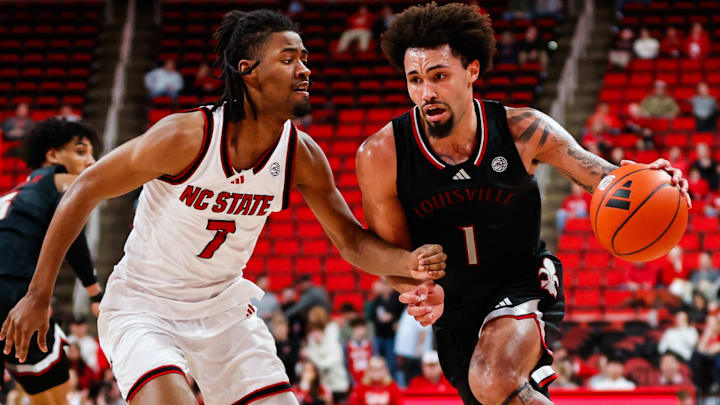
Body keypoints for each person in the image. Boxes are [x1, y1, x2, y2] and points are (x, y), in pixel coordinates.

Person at [1, 10, 447, 405]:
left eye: (305, 58)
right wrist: (39, 295)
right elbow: (84, 189)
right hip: (145, 306)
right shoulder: (185, 136)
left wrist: (407, 263)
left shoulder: (301, 154)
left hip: (224, 312)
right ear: (249, 70)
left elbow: (351, 242)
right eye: (288, 59)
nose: (304, 70)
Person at [356, 3, 690, 404]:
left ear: (472, 71)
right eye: (414, 80)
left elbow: (603, 179)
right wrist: (418, 290)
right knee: (494, 392)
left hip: (523, 279)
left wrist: (653, 180)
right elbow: (392, 252)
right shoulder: (382, 154)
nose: (425, 93)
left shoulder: (522, 130)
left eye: (439, 76)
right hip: (455, 304)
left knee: (492, 377)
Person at [0, 118, 101, 404]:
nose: (91, 161)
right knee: (59, 388)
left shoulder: (18, 192)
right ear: (53, 155)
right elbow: (71, 231)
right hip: (13, 288)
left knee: (32, 388)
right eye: (81, 152)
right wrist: (95, 291)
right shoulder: (62, 180)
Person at [302, 321, 349, 403]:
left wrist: (311, 356)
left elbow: (326, 365)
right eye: (312, 332)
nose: (315, 335)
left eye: (317, 331)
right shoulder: (314, 347)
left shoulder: (333, 345)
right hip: (325, 388)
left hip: (338, 387)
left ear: (323, 331)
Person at [366, 278, 404, 378]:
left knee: (392, 362)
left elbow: (403, 314)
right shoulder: (377, 300)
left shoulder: (398, 298)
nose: (385, 287)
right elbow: (371, 316)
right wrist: (380, 319)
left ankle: (392, 380)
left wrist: (394, 319)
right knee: (378, 360)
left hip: (392, 336)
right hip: (379, 335)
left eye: (387, 284)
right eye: (384, 285)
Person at [393, 308, 433, 387]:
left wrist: (420, 346)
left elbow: (423, 329)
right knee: (407, 375)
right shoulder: (409, 308)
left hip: (414, 353)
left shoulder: (420, 309)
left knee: (414, 377)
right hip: (406, 352)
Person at [346, 317, 373, 386]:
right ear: (353, 329)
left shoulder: (370, 344)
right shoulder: (347, 345)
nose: (361, 330)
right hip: (352, 380)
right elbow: (345, 364)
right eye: (358, 328)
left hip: (368, 379)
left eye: (363, 328)